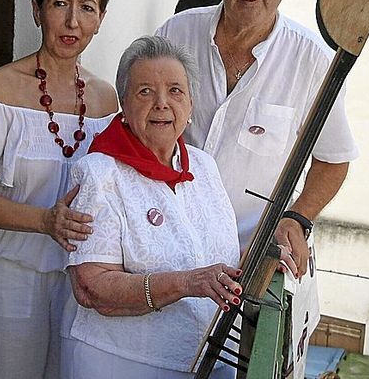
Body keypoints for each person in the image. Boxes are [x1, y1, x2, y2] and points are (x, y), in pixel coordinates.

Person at [156, 0, 359, 277]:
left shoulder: (312, 62)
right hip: (162, 249)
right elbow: (137, 124)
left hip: (245, 263)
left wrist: (295, 218)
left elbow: (333, 160)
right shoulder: (175, 35)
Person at [0, 0, 118, 378]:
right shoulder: (1, 88)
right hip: (10, 275)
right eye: (59, 3)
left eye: (87, 8)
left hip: (81, 281)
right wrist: (44, 221)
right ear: (37, 10)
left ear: (100, 19)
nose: (71, 21)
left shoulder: (107, 100)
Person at [60, 36, 242, 379]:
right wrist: (186, 283)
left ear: (189, 106)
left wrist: (263, 256)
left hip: (212, 359)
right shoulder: (101, 174)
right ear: (124, 106)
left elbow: (213, 250)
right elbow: (91, 288)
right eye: (145, 91)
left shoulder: (203, 167)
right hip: (123, 363)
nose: (162, 103)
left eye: (175, 91)